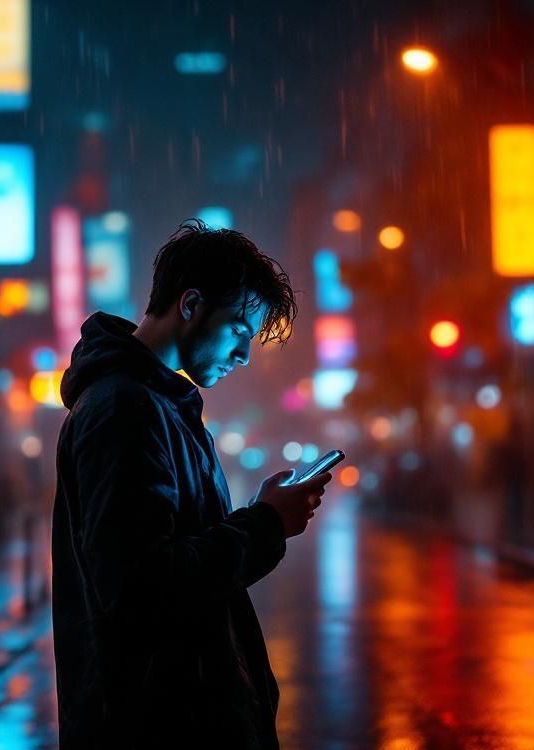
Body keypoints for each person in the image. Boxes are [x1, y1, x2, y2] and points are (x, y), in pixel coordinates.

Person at [51, 222, 332, 749]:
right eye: (239, 331)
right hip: (158, 727)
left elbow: (170, 553)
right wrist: (265, 523)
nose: (245, 356)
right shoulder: (124, 410)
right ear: (191, 305)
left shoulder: (158, 406)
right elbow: (141, 588)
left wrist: (259, 514)